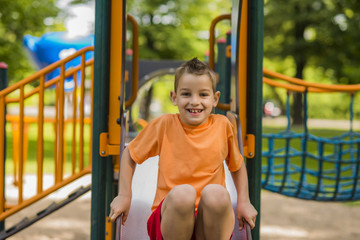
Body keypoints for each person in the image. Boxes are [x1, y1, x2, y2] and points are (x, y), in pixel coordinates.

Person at [109, 57, 257, 240]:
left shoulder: (223, 126)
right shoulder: (164, 125)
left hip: (209, 223)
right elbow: (130, 155)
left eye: (203, 95)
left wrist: (244, 201)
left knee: (216, 193)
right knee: (183, 193)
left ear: (215, 98)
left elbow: (237, 165)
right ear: (174, 97)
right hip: (169, 221)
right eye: (186, 94)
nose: (195, 101)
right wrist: (124, 195)